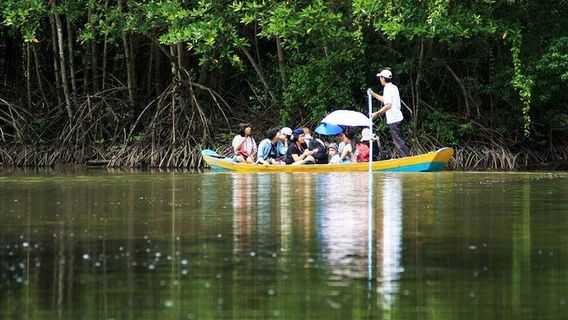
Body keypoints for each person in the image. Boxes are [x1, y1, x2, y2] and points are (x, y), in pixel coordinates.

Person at [369, 69, 410, 158]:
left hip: (394, 119)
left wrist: (377, 113)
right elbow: (385, 99)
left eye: (381, 77)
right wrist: (373, 94)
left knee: (398, 141)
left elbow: (388, 105)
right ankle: (406, 157)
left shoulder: (387, 88)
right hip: (398, 117)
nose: (380, 79)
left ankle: (405, 160)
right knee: (400, 140)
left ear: (384, 78)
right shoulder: (393, 87)